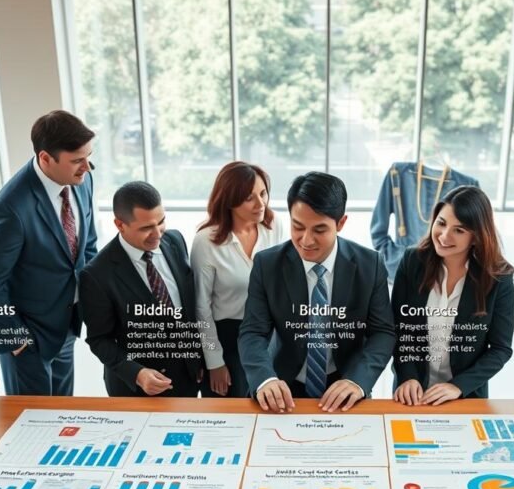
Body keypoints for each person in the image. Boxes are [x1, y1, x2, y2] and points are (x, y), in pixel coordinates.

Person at [239, 172, 395, 413]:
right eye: (297, 227)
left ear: (341, 223)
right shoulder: (267, 265)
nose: (306, 240)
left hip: (346, 384)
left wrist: (357, 380)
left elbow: (382, 333)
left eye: (319, 230)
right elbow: (253, 332)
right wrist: (265, 379)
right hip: (283, 386)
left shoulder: (370, 265)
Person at [0, 110, 99, 396]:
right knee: (31, 424)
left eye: (88, 156)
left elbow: (88, 246)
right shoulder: (9, 208)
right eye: (77, 160)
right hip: (27, 340)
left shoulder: (82, 181)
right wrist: (15, 338)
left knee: (62, 415)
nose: (87, 167)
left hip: (66, 326)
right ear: (45, 158)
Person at [391, 186, 514, 405]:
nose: (444, 236)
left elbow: (500, 349)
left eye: (459, 230)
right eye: (441, 223)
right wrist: (407, 376)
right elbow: (398, 329)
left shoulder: (499, 278)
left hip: (464, 396)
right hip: (412, 394)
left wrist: (458, 386)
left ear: (476, 236)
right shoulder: (412, 262)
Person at [79, 181, 204, 397]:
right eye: (146, 228)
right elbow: (100, 340)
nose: (157, 234)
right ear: (120, 224)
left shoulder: (175, 240)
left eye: (161, 222)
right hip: (137, 388)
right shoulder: (97, 274)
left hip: (187, 377)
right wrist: (138, 373)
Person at [191, 161, 283, 397]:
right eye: (249, 198)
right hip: (227, 339)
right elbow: (201, 309)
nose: (260, 203)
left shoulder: (275, 227)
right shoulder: (206, 242)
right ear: (230, 200)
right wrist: (214, 362)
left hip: (269, 335)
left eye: (263, 194)